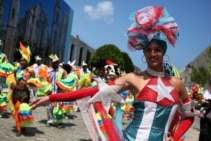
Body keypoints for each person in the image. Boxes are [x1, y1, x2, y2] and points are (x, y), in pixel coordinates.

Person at [30, 6, 195, 141]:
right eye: (149, 50)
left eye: (157, 50)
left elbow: (188, 116)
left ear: (163, 52)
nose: (153, 54)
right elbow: (93, 91)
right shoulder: (133, 78)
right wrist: (51, 98)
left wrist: (175, 137)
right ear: (143, 53)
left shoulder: (177, 83)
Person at [8, 42, 35, 136]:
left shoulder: (30, 70)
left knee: (24, 110)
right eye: (21, 60)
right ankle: (19, 128)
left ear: (27, 61)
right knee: (17, 109)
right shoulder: (16, 70)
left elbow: (34, 81)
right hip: (16, 92)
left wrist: (30, 81)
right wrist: (13, 84)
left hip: (25, 93)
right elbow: (11, 78)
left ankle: (23, 126)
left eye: (24, 60)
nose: (22, 62)